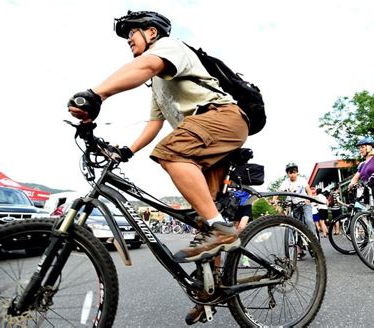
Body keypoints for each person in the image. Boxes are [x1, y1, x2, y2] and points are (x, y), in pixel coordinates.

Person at [67, 10, 249, 324]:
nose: (128, 40)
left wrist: (97, 94)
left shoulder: (168, 48)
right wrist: (124, 151)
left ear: (151, 32)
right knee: (206, 215)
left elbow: (144, 65)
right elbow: (154, 123)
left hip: (223, 119)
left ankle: (223, 233)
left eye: (131, 33)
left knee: (169, 152)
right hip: (204, 138)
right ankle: (211, 289)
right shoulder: (158, 83)